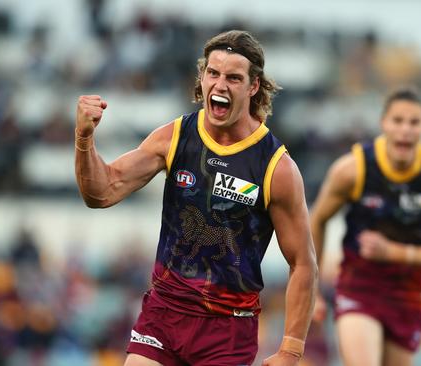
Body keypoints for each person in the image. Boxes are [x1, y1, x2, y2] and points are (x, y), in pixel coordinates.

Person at [74, 30, 318, 366]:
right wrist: (84, 138)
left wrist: (291, 349)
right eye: (213, 73)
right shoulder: (174, 137)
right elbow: (101, 192)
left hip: (227, 330)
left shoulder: (276, 167)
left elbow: (303, 264)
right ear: (201, 77)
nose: (220, 85)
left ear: (253, 86)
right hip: (164, 313)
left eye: (233, 77)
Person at [310, 86, 421, 366]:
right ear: (383, 123)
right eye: (397, 121)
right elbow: (316, 219)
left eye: (414, 122)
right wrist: (313, 288)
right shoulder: (352, 169)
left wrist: (392, 252)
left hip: (408, 294)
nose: (405, 130)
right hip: (360, 287)